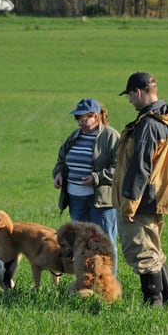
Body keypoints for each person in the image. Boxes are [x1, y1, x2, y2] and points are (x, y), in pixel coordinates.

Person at [112, 72, 168, 306]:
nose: (130, 100)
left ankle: (152, 301)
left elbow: (140, 166)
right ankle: (166, 297)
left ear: (140, 91)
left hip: (142, 197)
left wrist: (128, 205)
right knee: (153, 247)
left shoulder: (148, 124)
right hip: (160, 194)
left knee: (141, 250)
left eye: (130, 95)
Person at [52, 98, 120, 275]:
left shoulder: (111, 136)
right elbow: (61, 159)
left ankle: (108, 283)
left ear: (96, 117)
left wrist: (96, 177)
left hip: (101, 201)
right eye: (78, 120)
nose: (81, 123)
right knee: (81, 243)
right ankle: (86, 280)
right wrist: (58, 173)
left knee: (104, 242)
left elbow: (119, 167)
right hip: (76, 199)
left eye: (84, 120)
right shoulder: (75, 136)